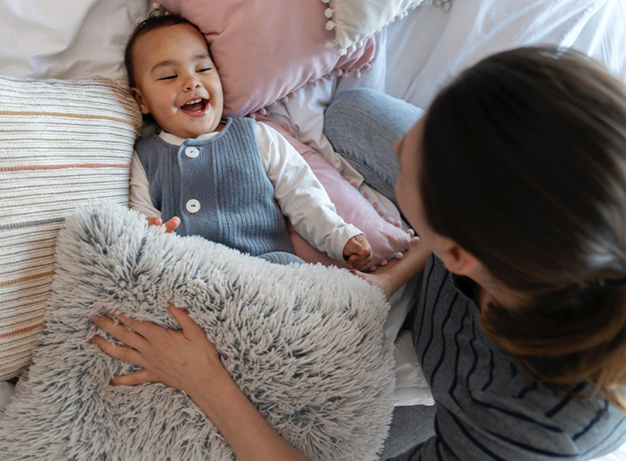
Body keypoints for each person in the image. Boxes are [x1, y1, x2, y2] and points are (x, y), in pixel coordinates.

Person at [92, 46, 626, 460]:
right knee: (354, 112)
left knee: (303, 429)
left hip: (456, 407)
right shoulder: (550, 208)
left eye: (415, 165)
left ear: (459, 252)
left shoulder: (526, 428)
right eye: (428, 122)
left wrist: (204, 377)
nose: (399, 149)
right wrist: (387, 278)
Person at [125, 14, 378, 269]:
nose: (192, 82)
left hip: (270, 270)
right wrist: (152, 240)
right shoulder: (145, 157)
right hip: (192, 277)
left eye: (203, 69)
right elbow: (142, 218)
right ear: (142, 100)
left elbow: (304, 197)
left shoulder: (257, 137)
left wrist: (339, 237)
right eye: (169, 76)